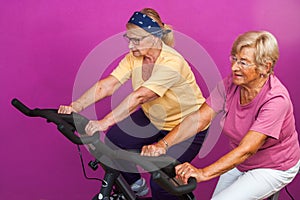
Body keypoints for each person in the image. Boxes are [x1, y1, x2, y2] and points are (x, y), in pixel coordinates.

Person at [58, 8, 209, 199]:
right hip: (154, 118)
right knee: (114, 141)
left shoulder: (171, 62)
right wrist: (76, 106)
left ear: (154, 37)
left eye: (136, 40)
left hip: (187, 126)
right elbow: (109, 84)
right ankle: (135, 187)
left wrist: (104, 122)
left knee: (161, 181)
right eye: (128, 39)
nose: (130, 46)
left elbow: (140, 97)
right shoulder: (135, 57)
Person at [141, 30, 300, 199]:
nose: (234, 67)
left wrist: (202, 173)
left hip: (273, 166)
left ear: (265, 67)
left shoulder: (276, 100)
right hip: (243, 162)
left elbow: (247, 149)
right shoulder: (231, 84)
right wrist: (163, 144)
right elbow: (199, 119)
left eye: (243, 63)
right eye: (234, 59)